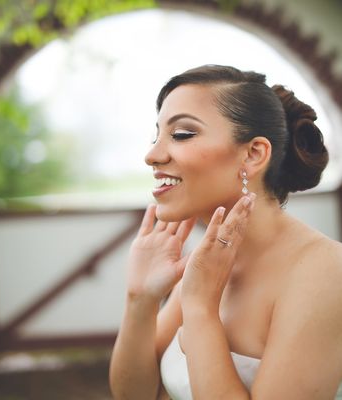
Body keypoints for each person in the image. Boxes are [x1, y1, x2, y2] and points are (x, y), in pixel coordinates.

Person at [109, 65, 342, 400]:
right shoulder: (209, 263)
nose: (152, 156)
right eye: (155, 136)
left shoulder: (326, 272)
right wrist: (140, 299)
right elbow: (134, 394)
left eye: (182, 134)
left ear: (253, 154)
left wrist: (202, 311)